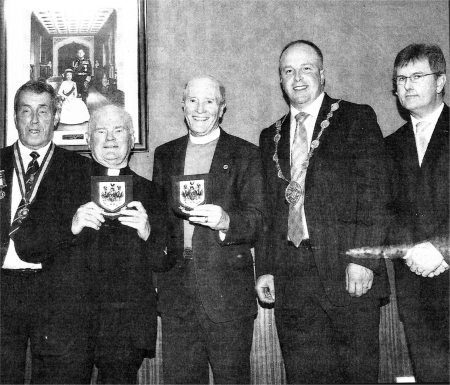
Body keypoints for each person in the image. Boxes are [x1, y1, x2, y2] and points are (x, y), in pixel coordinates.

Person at [256, 40, 391, 384]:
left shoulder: (355, 117)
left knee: (356, 375)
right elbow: (271, 211)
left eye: (306, 69)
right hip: (292, 279)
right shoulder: (270, 135)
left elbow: (376, 194)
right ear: (280, 80)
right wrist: (267, 269)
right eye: (288, 71)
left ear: (322, 74)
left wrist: (364, 259)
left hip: (349, 272)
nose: (297, 78)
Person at [153, 75, 264, 384]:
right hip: (177, 291)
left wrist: (227, 221)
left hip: (227, 291)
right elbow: (162, 223)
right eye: (193, 101)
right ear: (183, 105)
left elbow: (258, 220)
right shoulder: (165, 155)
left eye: (209, 101)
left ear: (222, 108)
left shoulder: (246, 154)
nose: (200, 109)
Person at [71, 105, 172, 384]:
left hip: (126, 326)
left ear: (131, 138)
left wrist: (148, 232)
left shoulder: (152, 193)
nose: (111, 139)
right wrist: (72, 226)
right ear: (88, 140)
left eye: (118, 131)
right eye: (101, 132)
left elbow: (166, 260)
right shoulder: (67, 188)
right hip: (73, 321)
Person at [0, 80, 93, 384]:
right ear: (16, 117)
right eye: (26, 111)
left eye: (43, 111)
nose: (35, 120)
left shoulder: (79, 170)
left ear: (55, 117)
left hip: (52, 293)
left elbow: (81, 237)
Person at [385, 43, 449, 383]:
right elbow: (386, 211)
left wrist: (443, 248)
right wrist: (411, 251)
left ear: (440, 82)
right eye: (400, 78)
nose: (407, 85)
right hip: (416, 287)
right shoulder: (388, 145)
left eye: (417, 76)